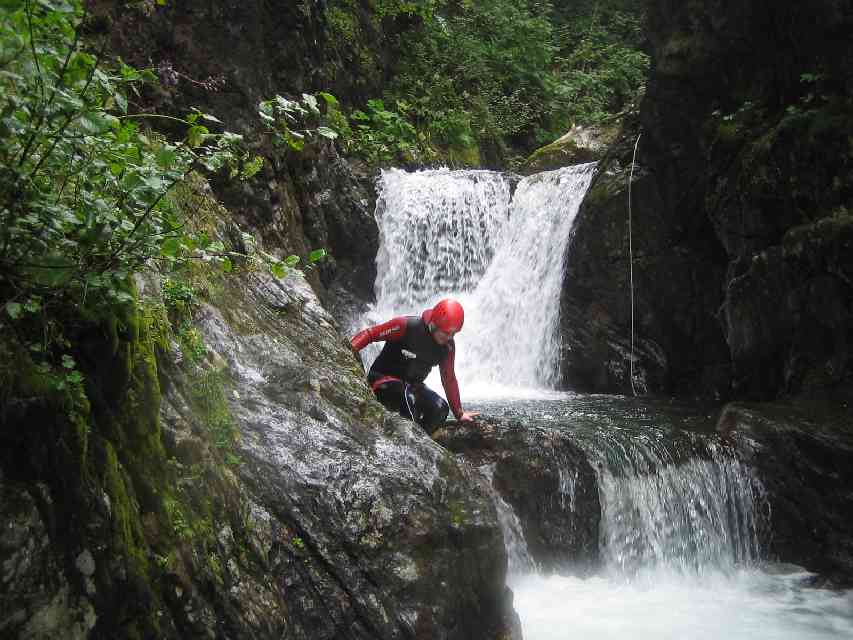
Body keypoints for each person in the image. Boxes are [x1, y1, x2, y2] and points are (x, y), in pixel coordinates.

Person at [351, 298, 479, 430]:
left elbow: (449, 378)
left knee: (440, 408)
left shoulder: (448, 347)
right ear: (434, 324)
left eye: (453, 334)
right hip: (382, 379)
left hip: (412, 385)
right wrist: (347, 351)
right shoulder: (407, 325)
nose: (449, 337)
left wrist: (459, 413)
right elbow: (370, 334)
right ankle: (408, 441)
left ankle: (423, 440)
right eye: (446, 333)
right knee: (408, 399)